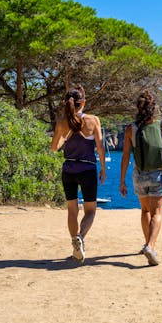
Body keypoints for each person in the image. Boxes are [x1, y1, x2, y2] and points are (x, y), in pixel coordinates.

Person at [50, 86, 107, 264]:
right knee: (90, 211)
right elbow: (100, 147)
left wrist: (65, 137)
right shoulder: (93, 120)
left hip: (68, 170)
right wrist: (103, 168)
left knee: (72, 210)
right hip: (87, 169)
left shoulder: (61, 122)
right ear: (83, 103)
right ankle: (80, 238)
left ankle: (76, 244)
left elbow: (54, 147)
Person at [119, 90, 162, 266]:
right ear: (154, 108)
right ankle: (150, 246)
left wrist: (122, 181)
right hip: (158, 174)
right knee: (157, 212)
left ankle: (147, 244)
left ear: (138, 108)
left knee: (145, 211)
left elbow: (126, 156)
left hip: (139, 174)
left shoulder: (131, 129)